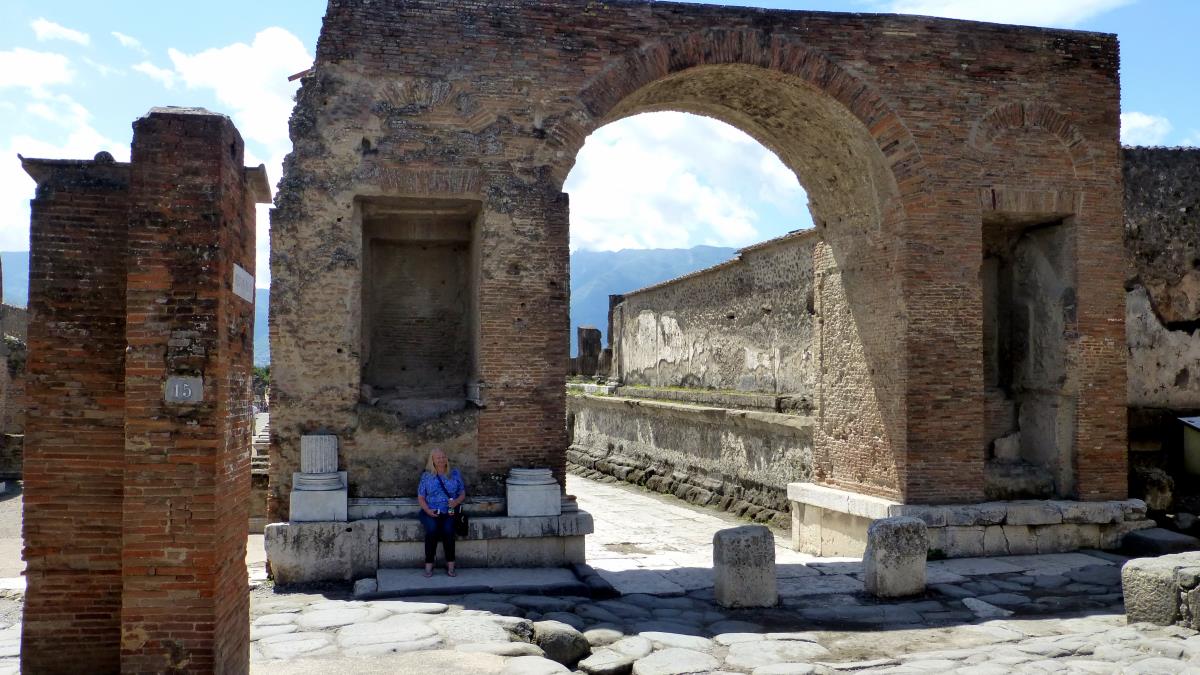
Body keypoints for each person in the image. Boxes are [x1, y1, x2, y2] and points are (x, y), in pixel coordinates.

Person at [417, 448, 466, 577]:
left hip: (449, 511)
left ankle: (450, 565)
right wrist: (427, 510)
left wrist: (456, 502)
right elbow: (421, 497)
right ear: (432, 460)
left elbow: (462, 492)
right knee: (432, 530)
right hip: (430, 511)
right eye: (438, 457)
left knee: (448, 531)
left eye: (443, 457)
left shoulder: (454, 474)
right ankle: (429, 564)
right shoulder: (427, 476)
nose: (441, 459)